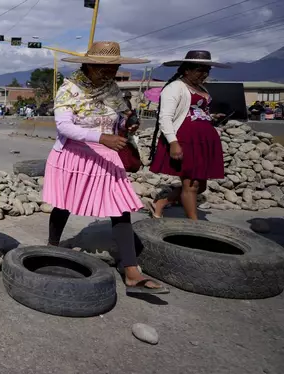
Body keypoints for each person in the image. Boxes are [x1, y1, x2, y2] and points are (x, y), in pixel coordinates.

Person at [42, 41, 169, 295]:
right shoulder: (70, 88)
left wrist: (127, 123)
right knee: (64, 203)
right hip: (75, 154)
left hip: (107, 154)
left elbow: (119, 115)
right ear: (89, 64)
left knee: (120, 208)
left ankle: (132, 272)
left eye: (114, 68)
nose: (110, 74)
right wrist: (100, 137)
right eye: (105, 68)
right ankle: (51, 247)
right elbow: (64, 126)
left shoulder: (111, 88)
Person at [148, 51, 230, 220]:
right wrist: (173, 142)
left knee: (200, 186)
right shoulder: (175, 87)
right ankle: (194, 224)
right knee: (191, 184)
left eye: (207, 70)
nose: (204, 74)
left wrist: (212, 117)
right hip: (186, 140)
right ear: (186, 70)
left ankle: (162, 202)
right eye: (200, 70)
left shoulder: (201, 88)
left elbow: (195, 111)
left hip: (204, 141)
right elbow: (165, 117)